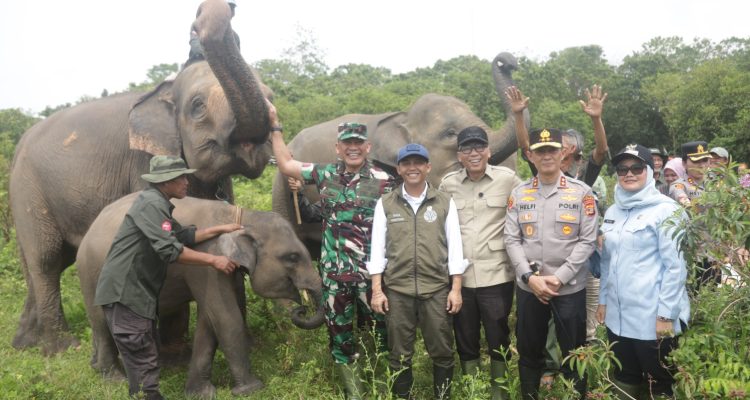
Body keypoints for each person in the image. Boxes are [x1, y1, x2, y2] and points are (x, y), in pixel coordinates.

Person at [270, 103, 394, 400]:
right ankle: (354, 393)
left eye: (358, 143)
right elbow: (286, 164)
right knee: (339, 334)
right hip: (335, 276)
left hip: (372, 278)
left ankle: (383, 386)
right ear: (338, 148)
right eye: (347, 143)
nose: (353, 148)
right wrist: (275, 126)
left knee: (382, 333)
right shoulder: (325, 174)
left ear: (367, 147)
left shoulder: (384, 181)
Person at [94, 155, 242, 400]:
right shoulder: (152, 204)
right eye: (180, 178)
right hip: (125, 292)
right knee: (142, 358)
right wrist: (214, 260)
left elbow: (181, 236)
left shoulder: (157, 203)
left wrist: (220, 228)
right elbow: (171, 250)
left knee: (145, 354)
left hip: (137, 292)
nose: (186, 182)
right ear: (164, 182)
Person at [506, 84, 608, 387]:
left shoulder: (581, 192)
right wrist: (530, 278)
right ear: (531, 156)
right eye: (540, 151)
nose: (546, 156)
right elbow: (511, 240)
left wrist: (559, 278)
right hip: (529, 288)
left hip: (569, 288)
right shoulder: (519, 193)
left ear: (563, 153)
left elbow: (587, 241)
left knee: (575, 353)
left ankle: (576, 393)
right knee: (529, 353)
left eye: (552, 150)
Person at [368, 143, 465, 400]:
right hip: (398, 291)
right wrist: (377, 291)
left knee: (442, 351)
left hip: (436, 290)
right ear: (399, 169)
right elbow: (377, 250)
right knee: (399, 354)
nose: (413, 168)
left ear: (428, 167)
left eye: (418, 162)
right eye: (407, 163)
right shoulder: (386, 203)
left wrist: (455, 289)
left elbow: (455, 248)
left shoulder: (444, 202)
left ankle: (442, 397)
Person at [596, 144, 690, 399]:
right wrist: (603, 300)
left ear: (650, 171)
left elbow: (675, 268)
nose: (629, 173)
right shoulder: (613, 211)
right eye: (622, 169)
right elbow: (606, 262)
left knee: (660, 380)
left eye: (636, 168)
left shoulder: (667, 210)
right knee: (624, 376)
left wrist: (666, 315)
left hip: (652, 318)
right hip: (618, 318)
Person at [438, 126, 521, 400]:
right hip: (459, 278)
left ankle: (500, 392)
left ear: (488, 151)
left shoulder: (507, 180)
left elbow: (529, 206)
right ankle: (473, 390)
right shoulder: (448, 184)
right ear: (459, 155)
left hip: (496, 274)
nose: (473, 153)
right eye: (466, 148)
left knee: (498, 334)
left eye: (479, 147)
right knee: (465, 335)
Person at [187, 0, 240, 67]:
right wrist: (216, 57)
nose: (228, 12)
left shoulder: (235, 37)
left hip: (225, 66)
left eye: (231, 9)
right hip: (198, 61)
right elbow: (195, 46)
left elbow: (237, 58)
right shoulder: (199, 26)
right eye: (224, 9)